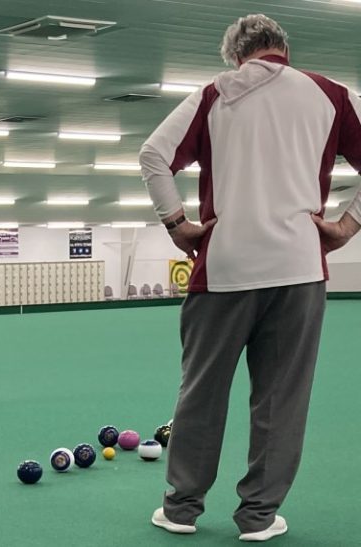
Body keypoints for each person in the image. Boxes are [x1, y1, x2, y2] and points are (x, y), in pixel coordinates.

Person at [139, 14, 361, 542]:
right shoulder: (330, 93)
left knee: (201, 391)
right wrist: (347, 226)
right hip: (300, 269)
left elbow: (153, 155)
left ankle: (181, 509)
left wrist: (177, 226)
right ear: (283, 48)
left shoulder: (215, 94)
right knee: (281, 398)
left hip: (224, 266)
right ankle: (259, 516)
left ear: (237, 55)